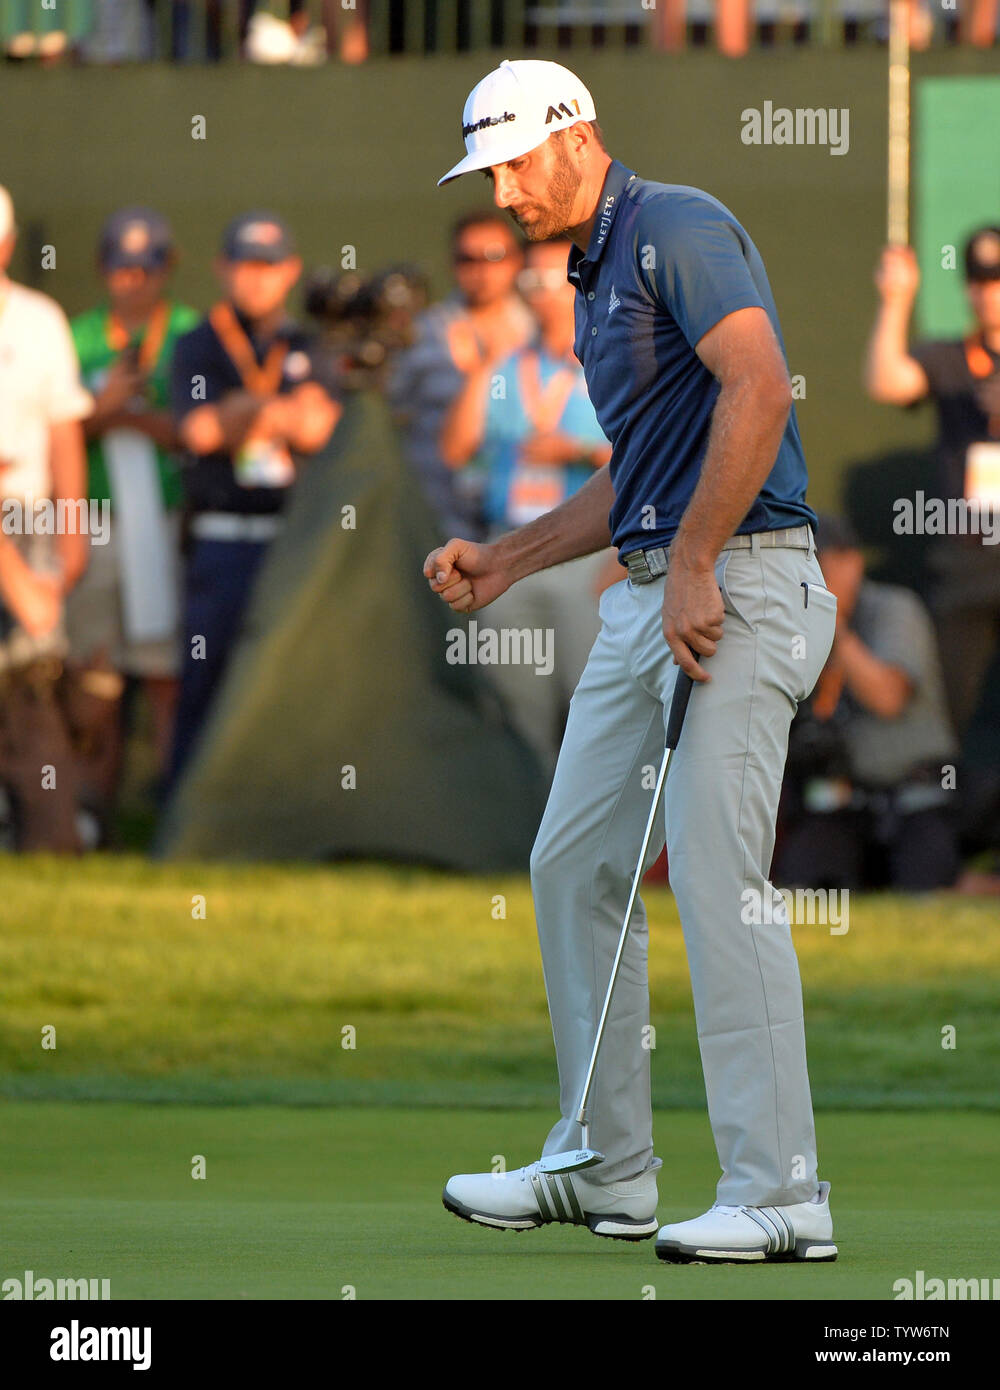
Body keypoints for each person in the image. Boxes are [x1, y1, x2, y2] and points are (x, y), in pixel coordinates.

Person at [426, 59, 838, 1262]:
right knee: (571, 861)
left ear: (573, 136)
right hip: (657, 591)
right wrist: (509, 558)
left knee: (714, 874)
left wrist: (699, 562)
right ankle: (608, 1168)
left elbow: (757, 391)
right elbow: (634, 478)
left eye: (508, 164)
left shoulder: (675, 225)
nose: (498, 194)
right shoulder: (590, 276)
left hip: (743, 581)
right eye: (484, 173)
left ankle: (781, 1192)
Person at [165, 211, 342, 793]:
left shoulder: (308, 341)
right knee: (206, 675)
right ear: (222, 268)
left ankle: (279, 804)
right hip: (220, 539)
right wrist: (276, 411)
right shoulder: (198, 342)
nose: (256, 279)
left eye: (269, 267)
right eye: (245, 266)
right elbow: (198, 433)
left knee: (289, 679)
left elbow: (321, 429)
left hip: (291, 539)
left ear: (289, 271)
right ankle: (186, 807)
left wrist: (242, 411)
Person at [440, 233, 614, 775]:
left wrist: (580, 451)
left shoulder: (609, 359)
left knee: (591, 701)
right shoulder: (506, 365)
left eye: (551, 278)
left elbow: (645, 455)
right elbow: (454, 448)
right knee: (518, 709)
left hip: (583, 552)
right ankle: (527, 843)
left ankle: (597, 847)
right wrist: (481, 366)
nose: (539, 292)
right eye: (530, 280)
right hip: (509, 548)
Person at [67, 208, 199, 829]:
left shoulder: (191, 334)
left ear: (166, 268)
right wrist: (102, 409)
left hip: (167, 524)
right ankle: (93, 817)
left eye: (146, 269)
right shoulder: (77, 336)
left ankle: (168, 818)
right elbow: (54, 430)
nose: (133, 282)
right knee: (96, 679)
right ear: (103, 270)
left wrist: (126, 416)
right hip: (94, 525)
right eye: (122, 268)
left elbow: (199, 432)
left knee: (164, 677)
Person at [775, 514, 961, 892]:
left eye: (818, 564)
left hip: (913, 800)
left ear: (851, 561)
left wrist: (832, 623)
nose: (809, 580)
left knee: (927, 889)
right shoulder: (789, 625)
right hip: (837, 803)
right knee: (804, 886)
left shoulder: (895, 608)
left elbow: (887, 698)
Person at [865, 228, 1000, 743]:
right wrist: (895, 300)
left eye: (998, 281)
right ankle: (967, 816)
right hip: (963, 569)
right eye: (980, 281)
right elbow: (886, 381)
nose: (989, 293)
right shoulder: (949, 357)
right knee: (962, 721)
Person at [0, 183, 93, 850]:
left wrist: (72, 537)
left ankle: (52, 843)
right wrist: (17, 582)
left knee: (33, 690)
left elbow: (64, 434)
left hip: (27, 520)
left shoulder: (39, 319)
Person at [385, 211, 534, 540]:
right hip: (440, 512)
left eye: (494, 257)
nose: (482, 270)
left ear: (516, 261)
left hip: (522, 510)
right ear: (453, 265)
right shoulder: (423, 333)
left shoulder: (539, 330)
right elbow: (389, 411)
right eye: (468, 259)